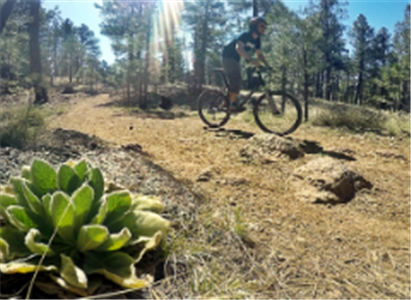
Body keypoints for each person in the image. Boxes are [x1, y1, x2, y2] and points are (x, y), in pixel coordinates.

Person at [222, 16, 270, 113]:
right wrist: (251, 60)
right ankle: (232, 105)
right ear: (255, 26)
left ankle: (226, 102)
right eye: (262, 26)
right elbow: (238, 49)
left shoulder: (257, 40)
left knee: (237, 80)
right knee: (235, 78)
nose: (264, 29)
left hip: (236, 59)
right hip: (228, 56)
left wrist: (267, 65)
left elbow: (259, 54)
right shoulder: (245, 35)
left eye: (265, 27)